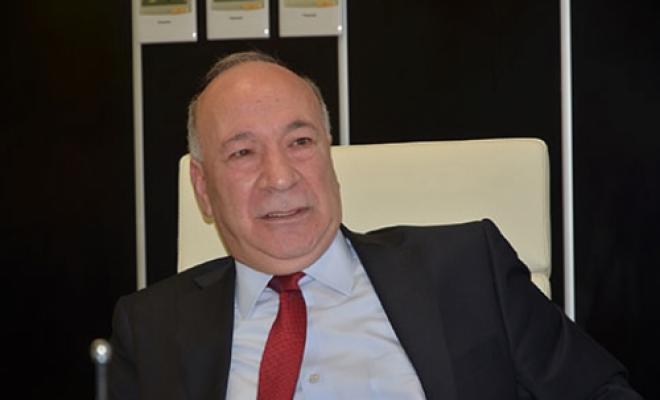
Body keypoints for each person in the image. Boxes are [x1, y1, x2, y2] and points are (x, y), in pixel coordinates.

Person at [108, 51, 642, 399]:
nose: (280, 177)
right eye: (243, 152)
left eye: (300, 142)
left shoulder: (466, 268)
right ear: (203, 187)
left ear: (329, 156)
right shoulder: (151, 327)